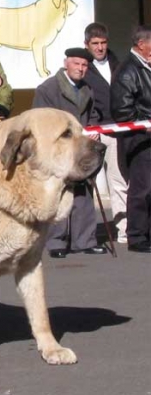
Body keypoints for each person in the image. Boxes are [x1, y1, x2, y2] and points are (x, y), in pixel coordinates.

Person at [33, 47, 107, 258]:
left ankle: (84, 240)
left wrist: (93, 131)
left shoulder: (88, 89)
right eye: (76, 63)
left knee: (84, 192)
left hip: (82, 149)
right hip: (59, 149)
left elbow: (93, 115)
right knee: (58, 192)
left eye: (84, 66)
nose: (81, 69)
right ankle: (56, 241)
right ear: (66, 63)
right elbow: (41, 119)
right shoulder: (48, 89)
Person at [83, 23, 128, 243]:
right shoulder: (83, 68)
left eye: (103, 43)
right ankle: (86, 234)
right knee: (86, 183)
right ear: (87, 45)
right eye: (95, 43)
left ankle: (124, 228)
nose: (100, 47)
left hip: (117, 129)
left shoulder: (117, 63)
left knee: (119, 180)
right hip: (93, 131)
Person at [110, 25, 151, 253]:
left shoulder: (146, 67)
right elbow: (122, 111)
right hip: (139, 139)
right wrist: (145, 125)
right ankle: (136, 236)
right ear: (141, 44)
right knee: (141, 189)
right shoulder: (128, 71)